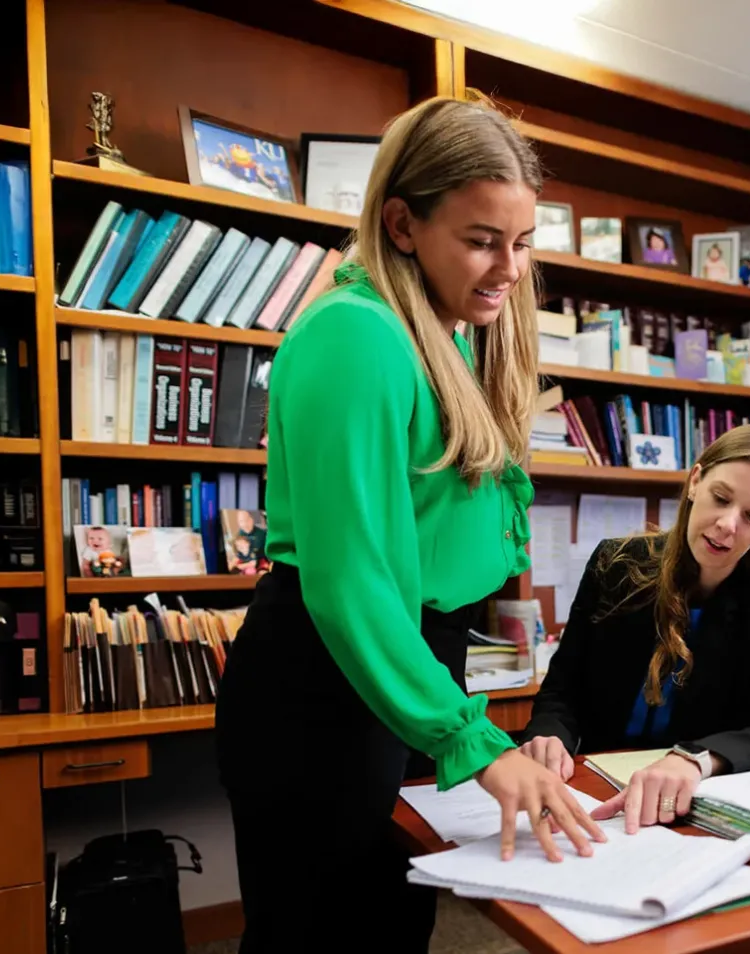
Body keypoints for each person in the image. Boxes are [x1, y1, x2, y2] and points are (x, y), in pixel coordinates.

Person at [215, 95, 604, 954]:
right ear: (401, 223)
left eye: (523, 242)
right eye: (481, 239)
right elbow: (354, 585)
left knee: (394, 928)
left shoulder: (449, 329)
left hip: (411, 667)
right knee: (321, 939)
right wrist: (471, 737)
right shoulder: (355, 338)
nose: (508, 268)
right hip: (327, 681)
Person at [519, 424, 750, 831]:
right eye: (721, 498)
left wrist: (697, 758)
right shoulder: (616, 565)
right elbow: (563, 689)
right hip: (595, 790)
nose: (728, 525)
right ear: (695, 482)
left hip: (691, 803)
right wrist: (548, 736)